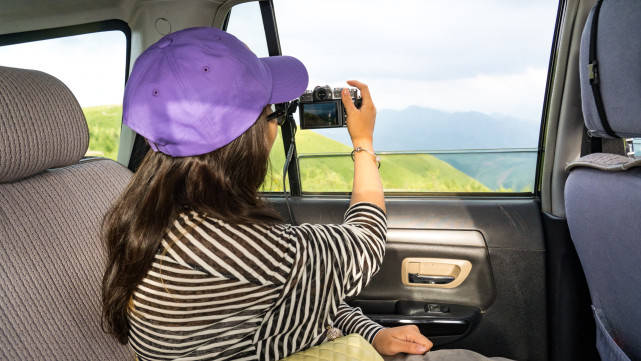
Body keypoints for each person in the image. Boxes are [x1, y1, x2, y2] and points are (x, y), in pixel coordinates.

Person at [100, 26, 510, 361]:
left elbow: (295, 296)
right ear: (240, 139)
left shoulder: (145, 214)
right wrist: (364, 145)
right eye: (271, 112)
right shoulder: (242, 241)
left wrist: (371, 333)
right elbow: (364, 244)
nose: (276, 126)